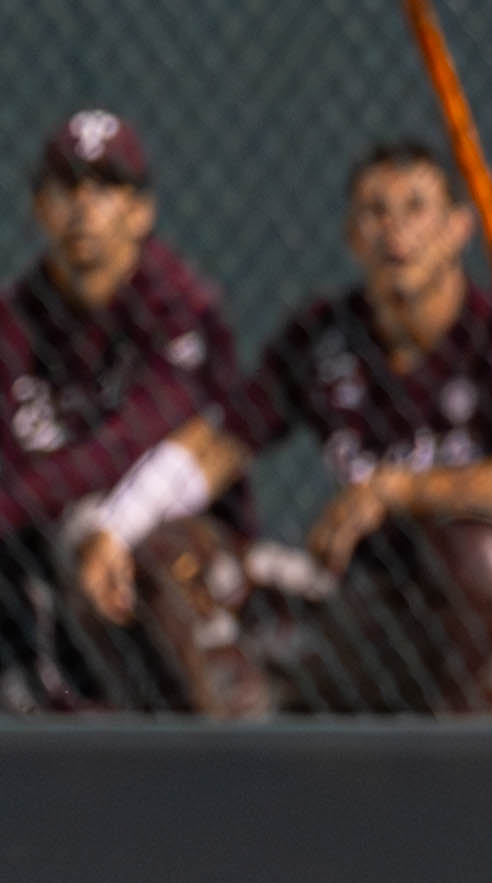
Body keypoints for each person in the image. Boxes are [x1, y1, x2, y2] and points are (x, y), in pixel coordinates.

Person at [180, 139, 492, 713]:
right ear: (352, 236)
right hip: (379, 609)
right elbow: (220, 444)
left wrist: (396, 490)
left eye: (417, 208)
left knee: (476, 552)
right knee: (209, 577)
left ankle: (466, 745)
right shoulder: (322, 336)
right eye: (376, 212)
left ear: (458, 229)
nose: (396, 231)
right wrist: (123, 517)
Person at [0, 109, 267, 717]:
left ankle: (213, 756)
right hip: (51, 536)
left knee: (136, 549)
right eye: (67, 187)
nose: (84, 208)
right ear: (41, 209)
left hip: (185, 543)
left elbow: (129, 443)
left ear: (141, 213)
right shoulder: (16, 319)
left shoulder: (179, 305)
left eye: (106, 188)